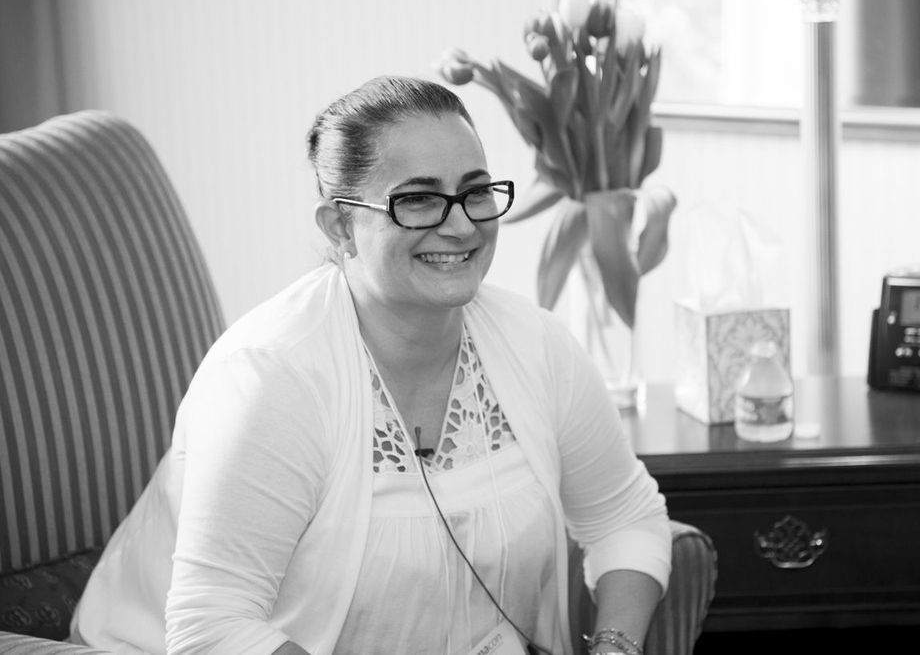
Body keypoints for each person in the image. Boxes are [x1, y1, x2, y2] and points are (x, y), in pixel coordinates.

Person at [70, 75, 671, 655]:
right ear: (341, 227)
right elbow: (212, 627)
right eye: (418, 199)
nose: (462, 224)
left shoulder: (536, 345)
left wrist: (614, 649)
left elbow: (626, 518)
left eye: (476, 191)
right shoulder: (271, 377)